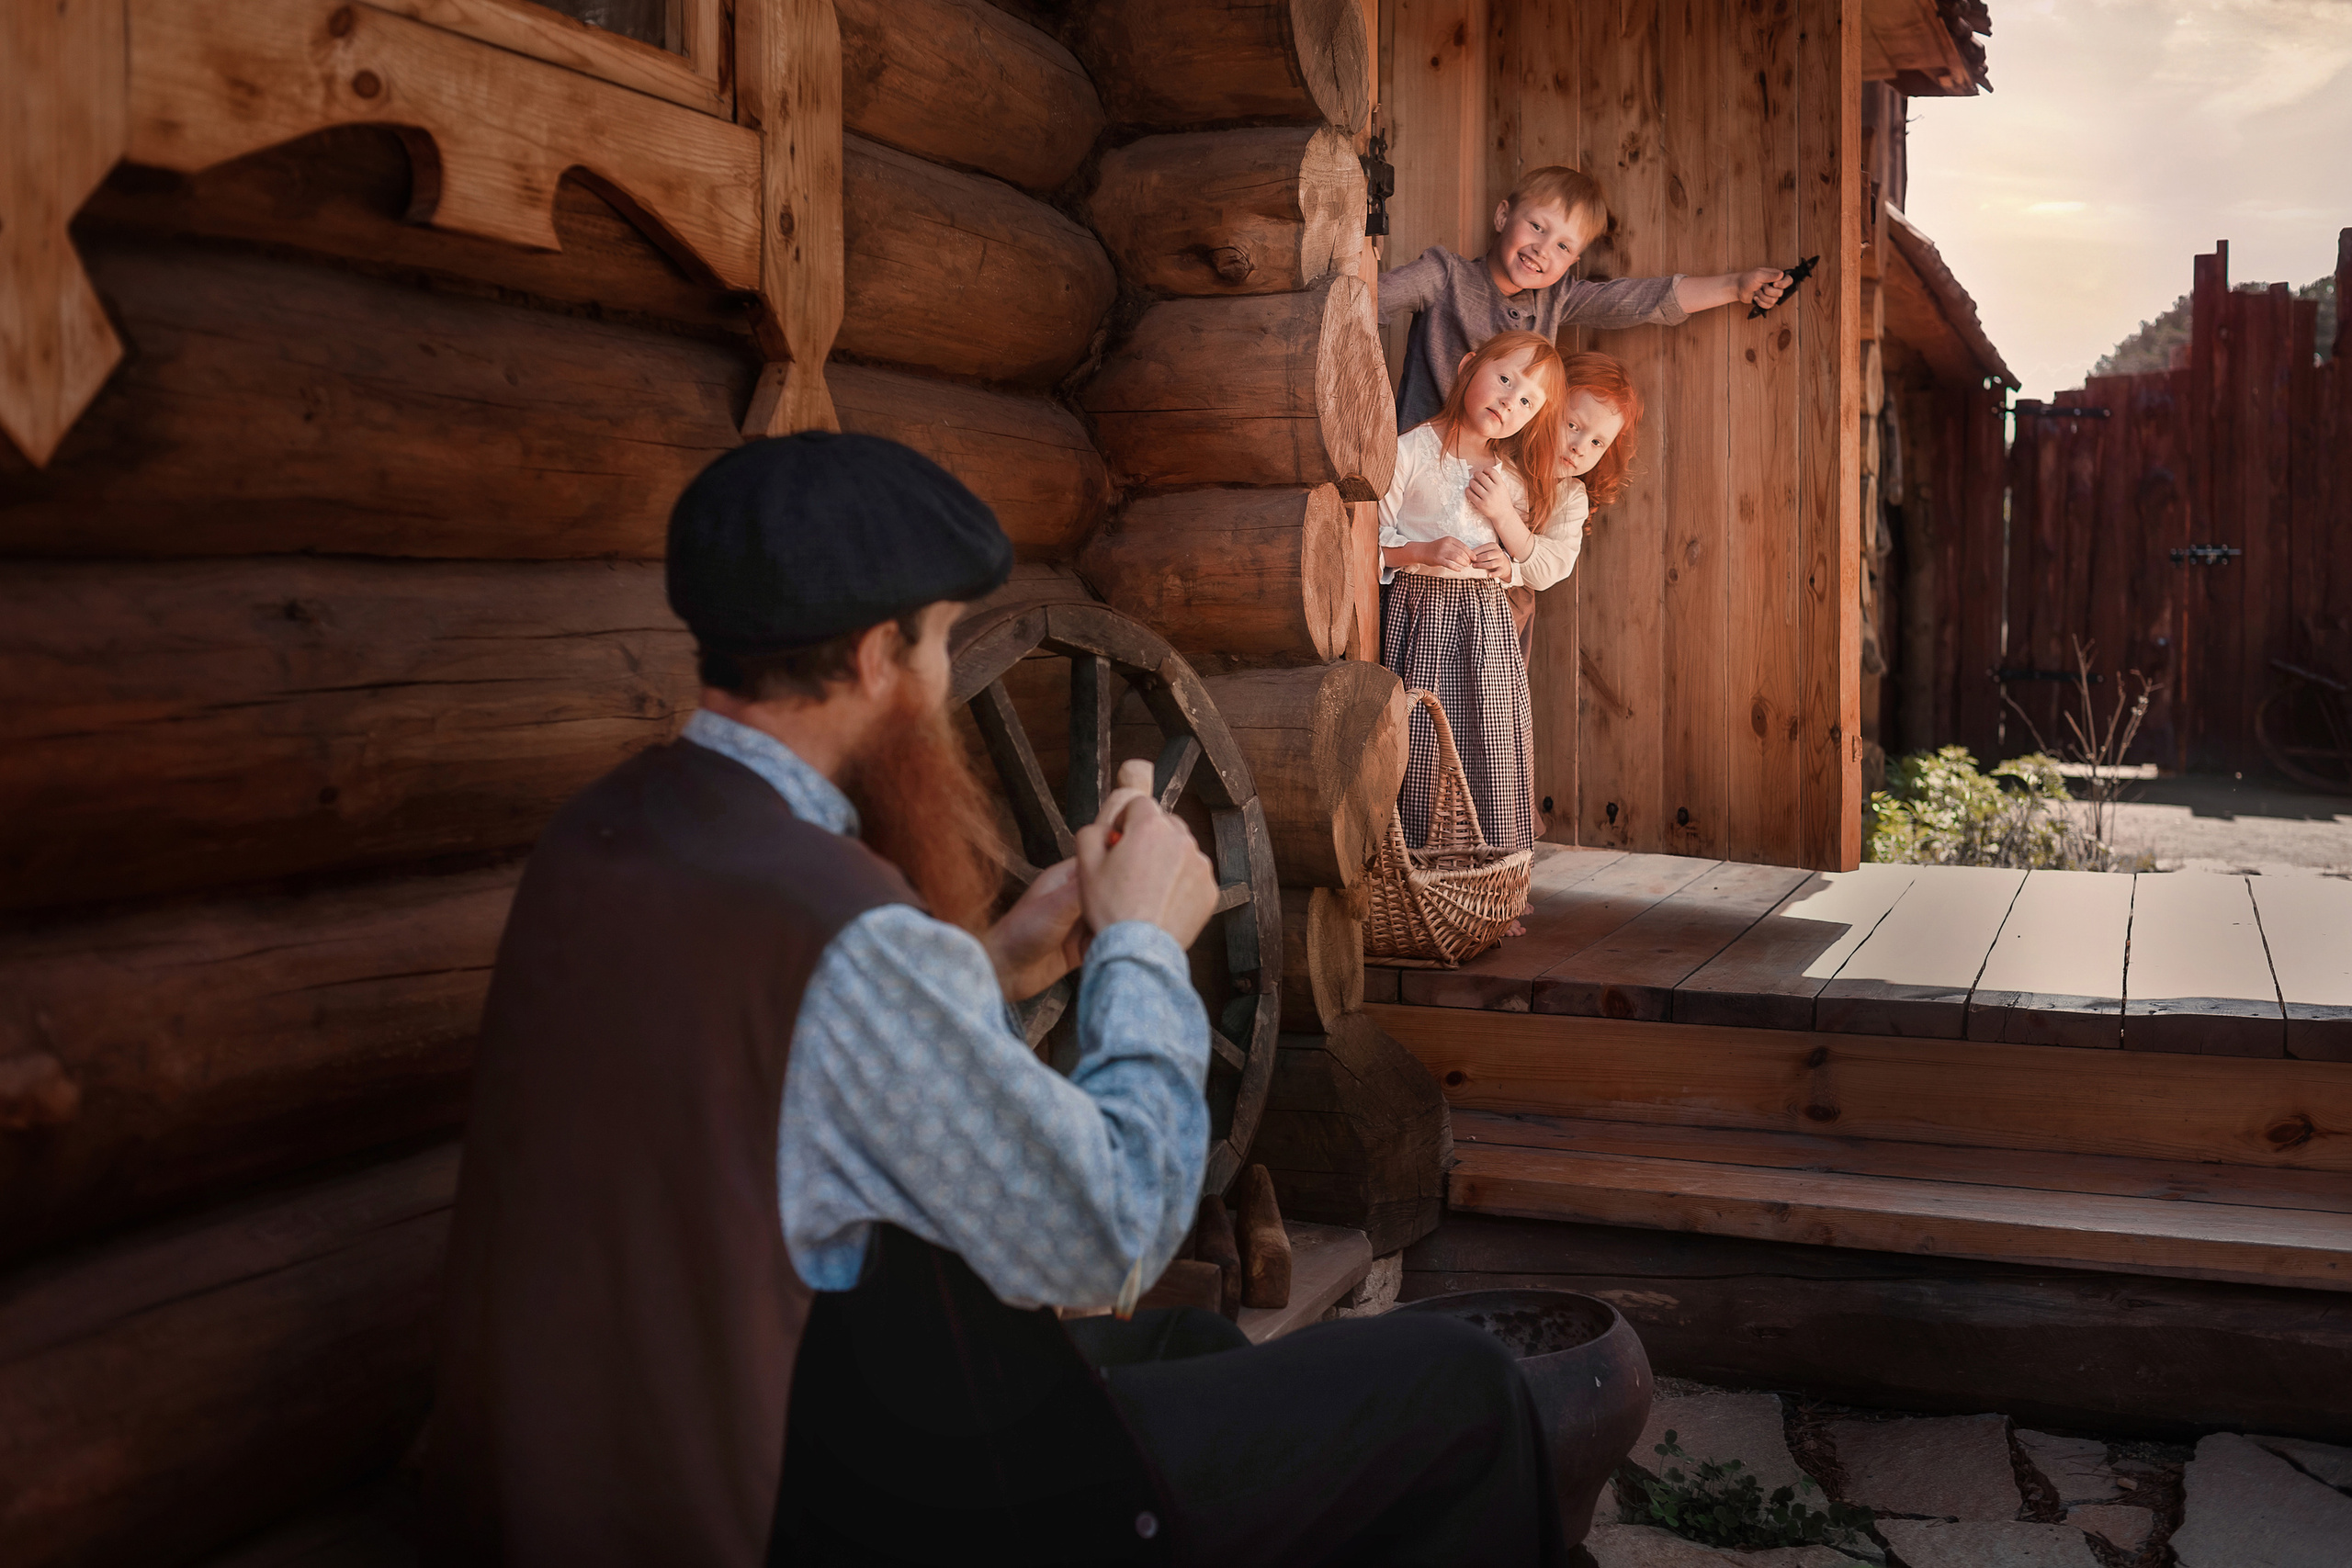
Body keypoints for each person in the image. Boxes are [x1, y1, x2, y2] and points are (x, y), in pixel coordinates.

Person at [423, 431, 1569, 1567]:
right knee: (1456, 1391)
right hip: (807, 1498)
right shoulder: (844, 931)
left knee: (1190, 1342)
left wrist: (1009, 959)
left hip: (664, 1438)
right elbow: (1109, 1238)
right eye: (929, 652)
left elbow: (788, 1064)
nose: (933, 689)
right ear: (876, 658)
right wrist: (1138, 949)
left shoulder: (610, 838)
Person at [1379, 164, 1789, 433]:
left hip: (1491, 484)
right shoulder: (1444, 275)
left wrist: (1736, 286)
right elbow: (1368, 304)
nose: (1542, 248)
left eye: (1562, 246)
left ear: (1573, 261)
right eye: (1537, 226)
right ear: (1503, 216)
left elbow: (1635, 301)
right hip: (1419, 462)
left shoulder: (1554, 300)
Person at [1378, 332, 1566, 869]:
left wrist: (1505, 566)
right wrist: (1422, 549)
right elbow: (1368, 543)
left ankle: (1497, 881)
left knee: (1496, 745)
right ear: (1467, 367)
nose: (1511, 401)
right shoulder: (1409, 450)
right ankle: (1427, 878)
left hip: (1488, 630)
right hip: (1425, 620)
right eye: (1505, 379)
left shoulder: (1509, 479)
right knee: (1428, 745)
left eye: (1528, 400)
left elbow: (1520, 560)